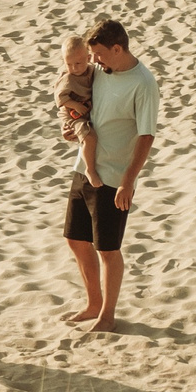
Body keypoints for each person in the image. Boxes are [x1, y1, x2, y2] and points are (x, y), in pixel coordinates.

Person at [63, 19, 157, 335]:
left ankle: (108, 314)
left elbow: (146, 136)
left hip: (115, 177)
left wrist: (129, 181)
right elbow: (87, 110)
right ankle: (93, 303)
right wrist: (72, 128)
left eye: (100, 54)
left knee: (107, 248)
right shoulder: (101, 73)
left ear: (117, 49)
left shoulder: (143, 84)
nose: (95, 61)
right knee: (75, 239)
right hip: (85, 167)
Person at [54, 32, 101, 191]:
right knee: (90, 137)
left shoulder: (92, 71)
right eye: (69, 64)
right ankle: (90, 169)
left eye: (78, 63)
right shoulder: (68, 79)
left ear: (88, 59)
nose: (74, 68)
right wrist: (75, 105)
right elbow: (60, 99)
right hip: (74, 115)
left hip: (84, 111)